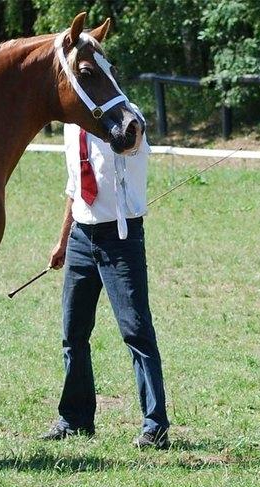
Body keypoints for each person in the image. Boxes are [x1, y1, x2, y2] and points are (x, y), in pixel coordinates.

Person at [40, 112, 170, 449]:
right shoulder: (71, 125)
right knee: (73, 333)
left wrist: (129, 128)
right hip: (82, 237)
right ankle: (75, 419)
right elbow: (74, 185)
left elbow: (133, 140)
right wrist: (63, 239)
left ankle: (155, 426)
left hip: (121, 238)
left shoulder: (127, 118)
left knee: (136, 331)